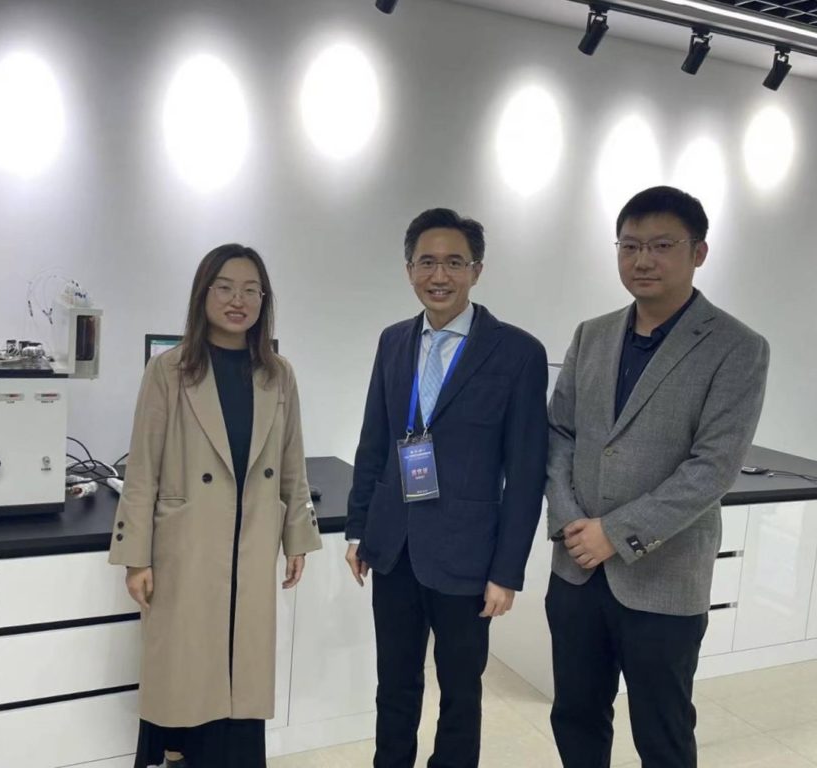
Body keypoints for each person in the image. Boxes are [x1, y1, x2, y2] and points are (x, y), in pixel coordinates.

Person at [545, 186, 770, 768]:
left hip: (664, 577)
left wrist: (614, 533)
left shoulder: (737, 347)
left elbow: (712, 467)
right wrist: (571, 521)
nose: (642, 260)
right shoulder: (592, 335)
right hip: (575, 571)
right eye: (630, 246)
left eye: (662, 246)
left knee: (662, 730)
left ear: (699, 252)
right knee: (575, 714)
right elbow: (560, 432)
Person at [345, 208, 549, 768]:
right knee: (395, 683)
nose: (440, 275)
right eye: (427, 262)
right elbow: (374, 442)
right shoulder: (393, 341)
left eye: (454, 263)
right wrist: (360, 528)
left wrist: (507, 571)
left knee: (460, 690)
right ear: (409, 269)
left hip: (468, 554)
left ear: (476, 270)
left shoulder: (517, 352)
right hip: (394, 547)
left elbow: (527, 472)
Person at [109, 243, 322, 768]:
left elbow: (291, 462)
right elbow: (142, 468)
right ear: (203, 295)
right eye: (224, 287)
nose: (237, 300)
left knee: (241, 672)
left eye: (251, 290)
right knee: (187, 672)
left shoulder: (279, 373)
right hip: (187, 543)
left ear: (263, 301)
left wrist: (297, 535)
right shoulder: (169, 370)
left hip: (251, 541)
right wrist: (135, 555)